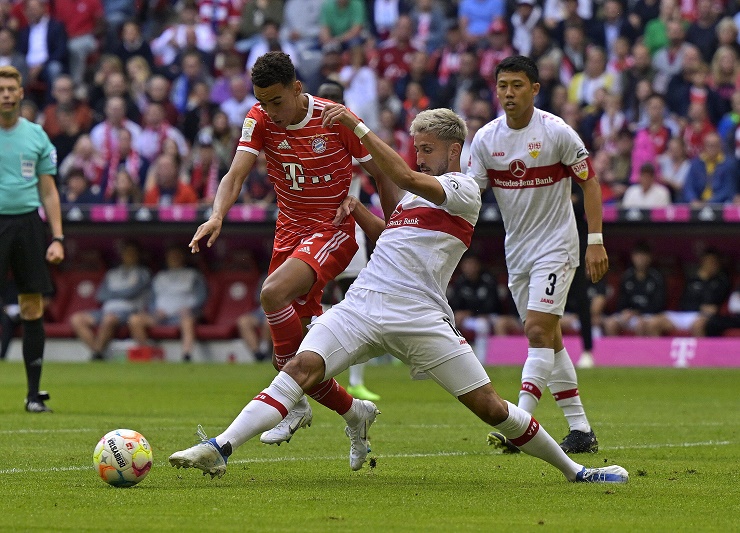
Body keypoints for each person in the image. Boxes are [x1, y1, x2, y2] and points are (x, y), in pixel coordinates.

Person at [169, 106, 629, 485]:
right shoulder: (412, 200)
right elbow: (392, 236)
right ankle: (220, 447)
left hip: (419, 316)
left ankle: (575, 470)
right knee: (299, 369)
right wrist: (359, 211)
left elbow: (405, 178)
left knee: (490, 407)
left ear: (454, 150)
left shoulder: (463, 189)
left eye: (427, 149)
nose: (419, 157)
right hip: (364, 305)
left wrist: (357, 129)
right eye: (417, 149)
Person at [187, 52, 394, 447]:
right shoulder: (259, 118)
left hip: (332, 230)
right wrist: (217, 216)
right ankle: (355, 413)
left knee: (272, 293)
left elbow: (382, 173)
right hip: (289, 235)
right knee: (291, 359)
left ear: (297, 88)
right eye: (262, 101)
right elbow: (236, 173)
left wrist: (393, 226)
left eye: (276, 101)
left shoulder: (335, 118)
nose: (270, 110)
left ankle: (294, 406)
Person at [467, 56, 608, 454]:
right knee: (550, 338)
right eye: (503, 86)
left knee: (536, 332)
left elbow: (590, 183)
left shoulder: (556, 132)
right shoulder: (486, 140)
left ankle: (519, 424)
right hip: (518, 251)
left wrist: (595, 240)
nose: (509, 93)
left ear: (534, 89)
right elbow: (470, 195)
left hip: (557, 246)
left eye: (517, 85)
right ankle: (581, 430)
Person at [0, 66, 64, 412]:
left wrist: (58, 237)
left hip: (27, 224)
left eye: (11, 89)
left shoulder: (37, 136)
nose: (6, 95)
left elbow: (49, 192)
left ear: (21, 93)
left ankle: (33, 395)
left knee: (31, 305)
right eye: (1, 90)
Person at [316, 80, 380, 402]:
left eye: (335, 99)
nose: (329, 104)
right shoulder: (306, 133)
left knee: (357, 301)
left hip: (350, 229)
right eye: (325, 98)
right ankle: (318, 369)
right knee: (316, 298)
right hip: (315, 229)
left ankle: (356, 381)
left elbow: (379, 168)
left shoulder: (355, 133)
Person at [70, 241, 151, 361]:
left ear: (138, 255)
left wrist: (113, 293)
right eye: (126, 253)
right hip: (106, 310)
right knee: (77, 319)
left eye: (132, 253)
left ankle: (97, 355)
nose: (129, 256)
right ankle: (97, 352)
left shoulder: (143, 273)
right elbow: (100, 295)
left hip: (128, 311)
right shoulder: (112, 273)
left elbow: (132, 292)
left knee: (109, 319)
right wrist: (122, 292)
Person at [128, 245, 208, 363]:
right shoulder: (160, 276)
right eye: (171, 256)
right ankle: (149, 353)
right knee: (134, 320)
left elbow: (202, 296)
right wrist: (155, 311)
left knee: (188, 321)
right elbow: (151, 299)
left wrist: (190, 308)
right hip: (160, 316)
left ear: (183, 257)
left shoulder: (193, 275)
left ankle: (186, 355)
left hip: (182, 315)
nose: (174, 258)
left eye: (177, 256)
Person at [642, 249, 730, 337]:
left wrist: (706, 280)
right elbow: (683, 303)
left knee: (698, 325)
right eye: (709, 262)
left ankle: (701, 347)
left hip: (701, 316)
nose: (712, 265)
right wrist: (699, 306)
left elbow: (715, 303)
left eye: (714, 262)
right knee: (653, 324)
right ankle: (657, 347)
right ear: (703, 262)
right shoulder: (692, 279)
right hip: (683, 314)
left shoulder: (721, 281)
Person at [602, 241, 666, 336]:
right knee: (610, 323)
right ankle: (615, 346)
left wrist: (637, 312)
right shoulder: (627, 277)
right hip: (629, 315)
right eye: (638, 255)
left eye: (643, 256)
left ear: (649, 258)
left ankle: (640, 346)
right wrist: (625, 311)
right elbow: (621, 301)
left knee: (640, 325)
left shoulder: (656, 277)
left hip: (648, 315)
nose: (640, 259)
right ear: (633, 257)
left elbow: (658, 305)